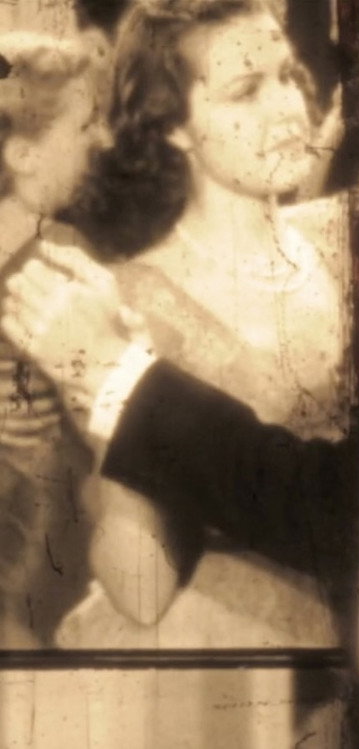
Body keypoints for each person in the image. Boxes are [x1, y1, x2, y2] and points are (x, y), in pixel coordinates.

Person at [2, 0, 359, 630]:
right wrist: (105, 410)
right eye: (245, 91)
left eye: (286, 75)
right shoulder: (130, 297)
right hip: (244, 640)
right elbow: (142, 589)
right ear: (175, 126)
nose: (286, 108)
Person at [0, 29, 111, 646]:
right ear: (23, 154)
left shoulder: (57, 245)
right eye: (85, 125)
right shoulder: (61, 257)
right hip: (34, 546)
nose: (101, 139)